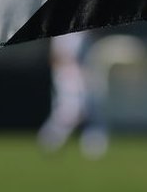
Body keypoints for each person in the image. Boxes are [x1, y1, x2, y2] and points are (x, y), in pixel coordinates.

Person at [37, 30, 107, 158]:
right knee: (70, 111)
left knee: (91, 108)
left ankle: (94, 144)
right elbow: (56, 57)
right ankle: (49, 138)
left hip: (85, 75)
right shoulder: (64, 35)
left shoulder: (86, 35)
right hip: (67, 75)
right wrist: (70, 70)